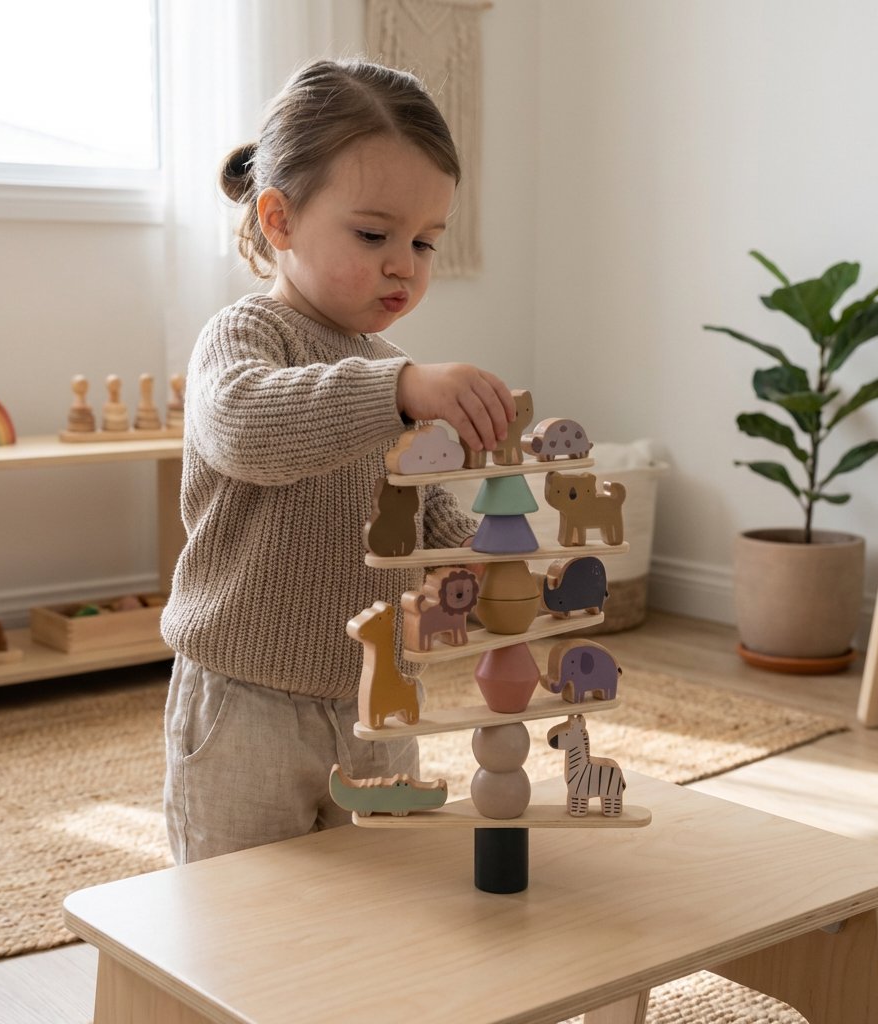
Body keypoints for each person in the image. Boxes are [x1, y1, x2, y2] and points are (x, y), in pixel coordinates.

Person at [161, 57, 515, 864]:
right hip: (243, 698)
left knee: (380, 898)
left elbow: (415, 505)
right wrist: (400, 389)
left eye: (425, 241)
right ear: (279, 220)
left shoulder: (391, 370)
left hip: (379, 693)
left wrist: (485, 555)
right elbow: (249, 430)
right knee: (237, 911)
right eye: (374, 234)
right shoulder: (247, 338)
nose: (405, 263)